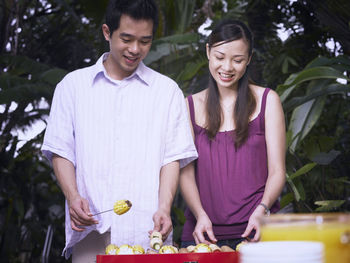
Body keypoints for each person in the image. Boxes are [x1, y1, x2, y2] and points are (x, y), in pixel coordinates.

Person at [41, 0, 197, 262]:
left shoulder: (167, 91)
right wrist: (73, 195)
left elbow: (172, 157)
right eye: (126, 39)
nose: (135, 49)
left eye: (145, 41)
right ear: (106, 32)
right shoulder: (73, 86)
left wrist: (164, 207)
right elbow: (60, 149)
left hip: (148, 232)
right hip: (91, 230)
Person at [180, 19, 286, 250]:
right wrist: (199, 215)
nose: (227, 67)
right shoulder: (189, 106)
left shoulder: (267, 101)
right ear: (208, 52)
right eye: (220, 57)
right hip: (202, 234)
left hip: (258, 230)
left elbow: (278, 170)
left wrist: (262, 209)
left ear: (248, 60)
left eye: (237, 60)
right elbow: (185, 174)